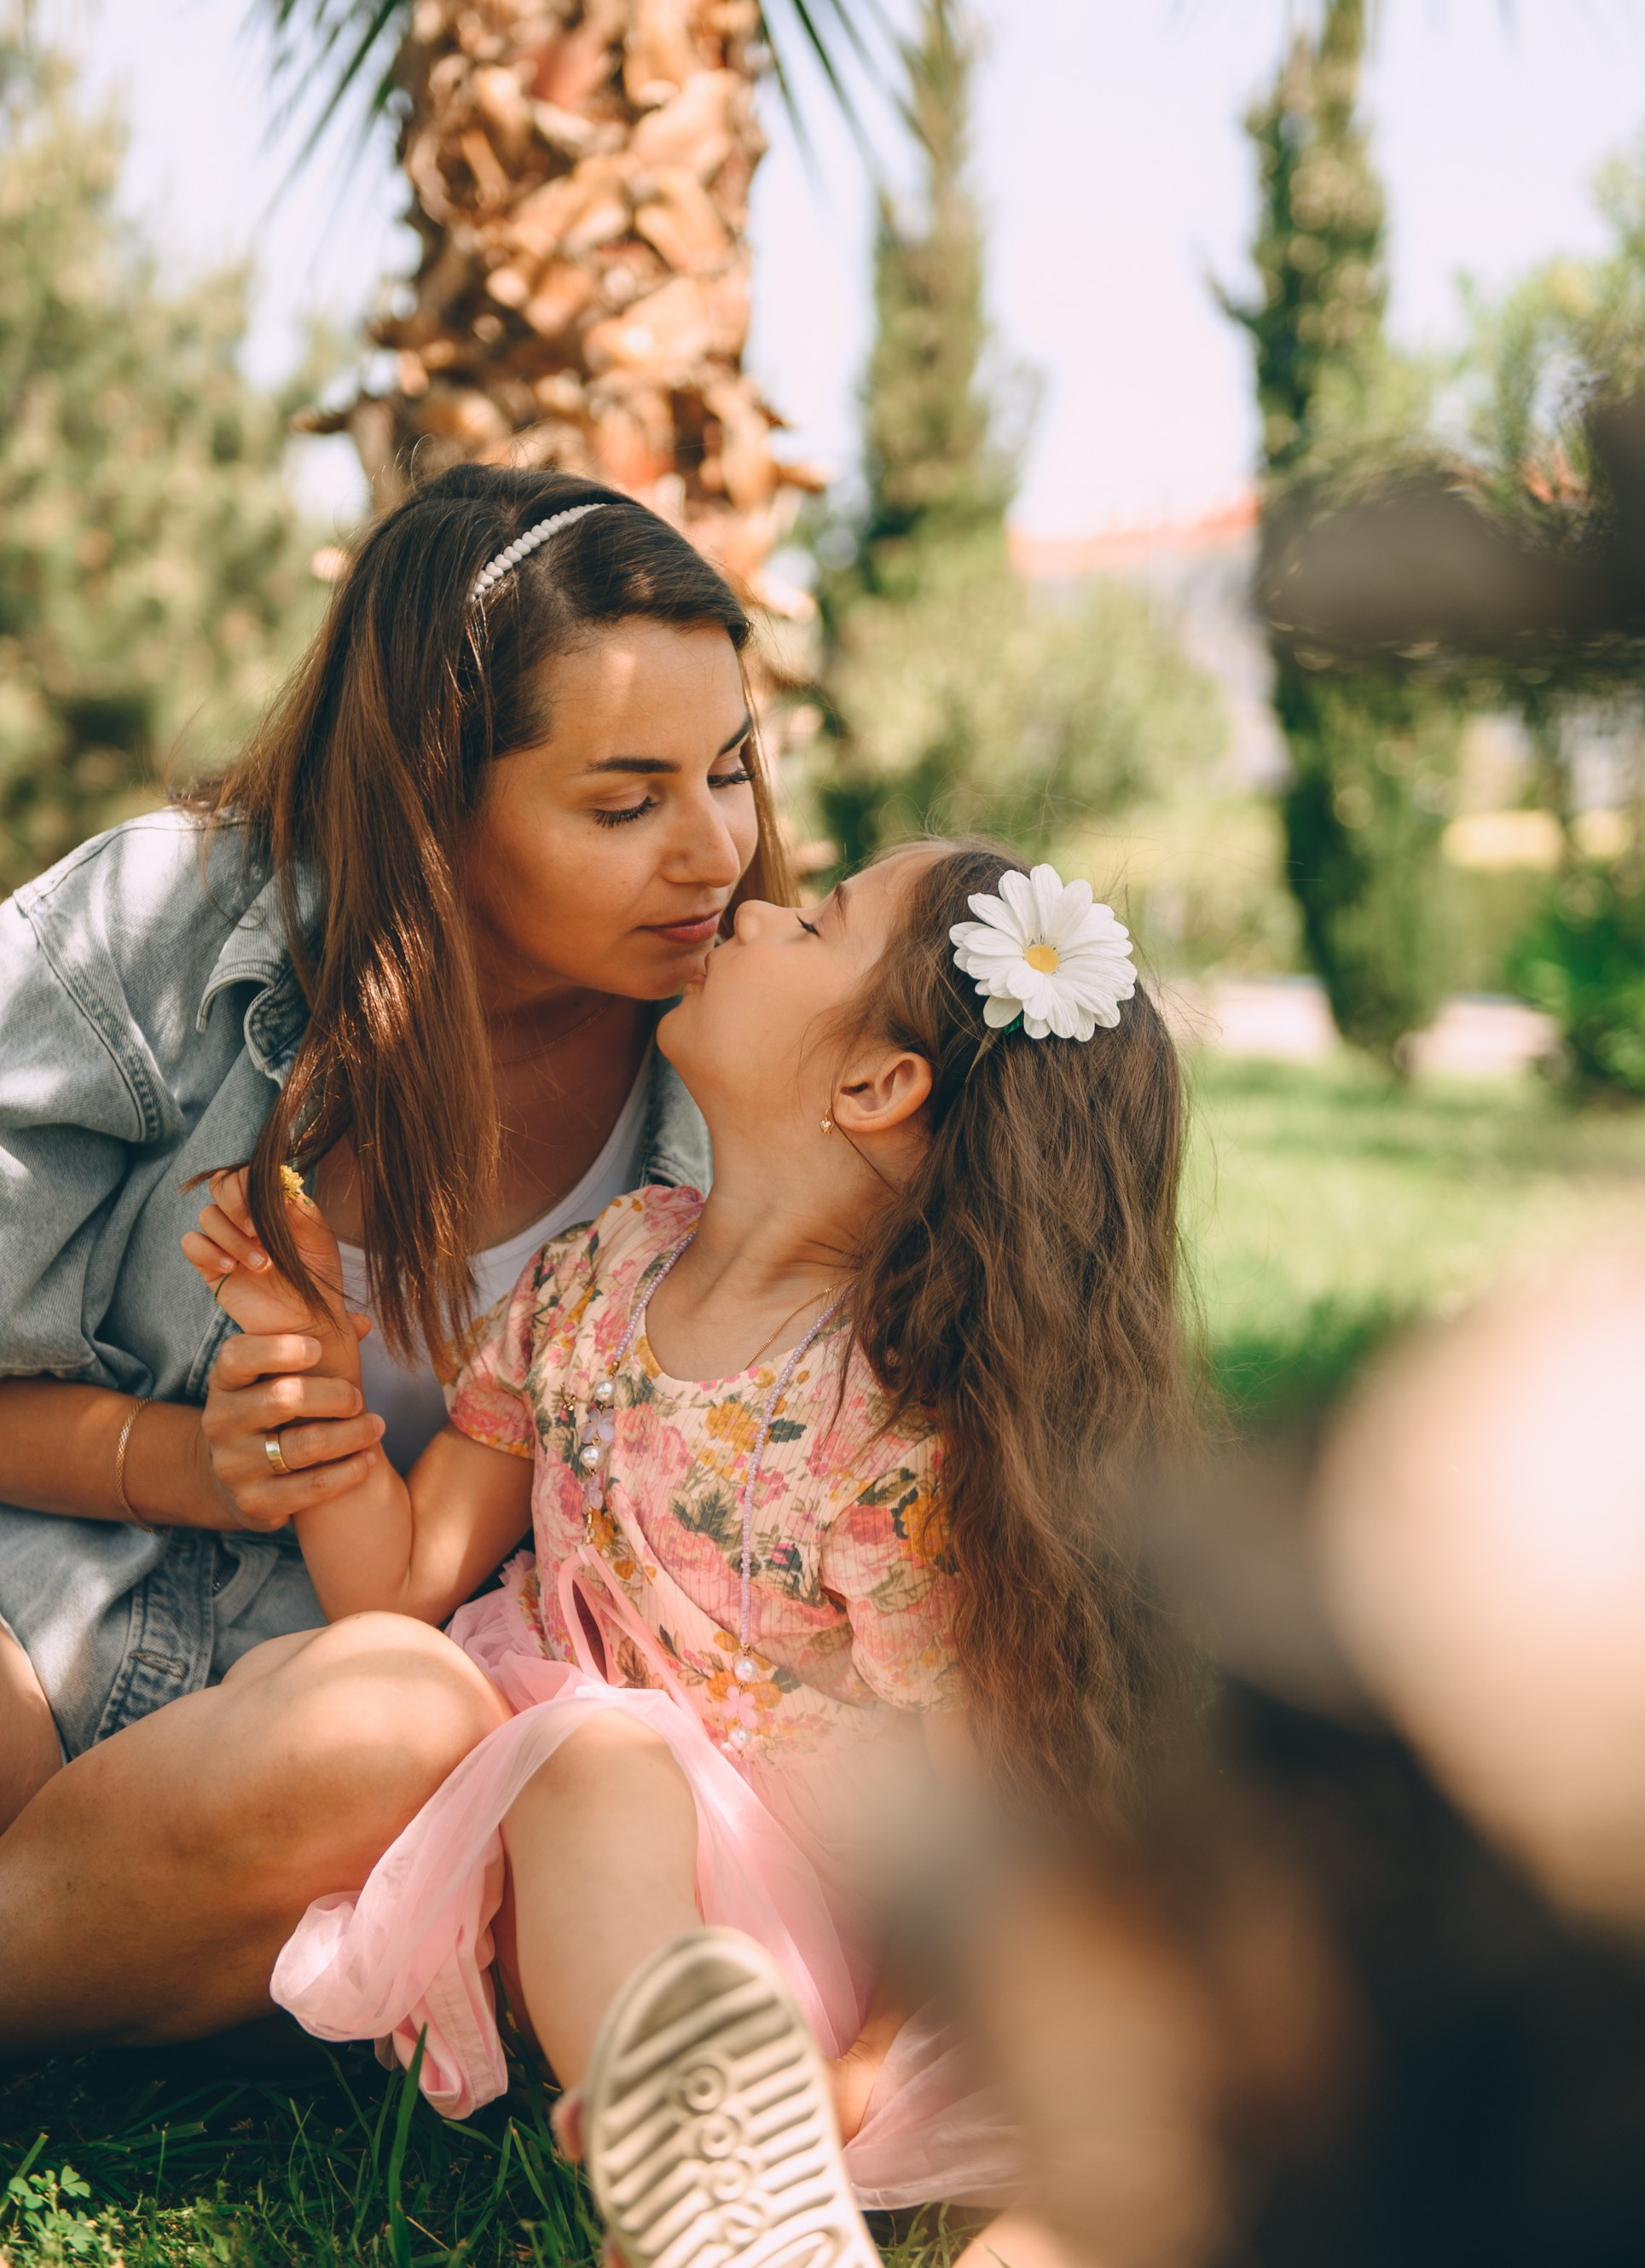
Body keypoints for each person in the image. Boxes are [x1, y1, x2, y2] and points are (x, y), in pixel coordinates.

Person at [184, 843, 1190, 2248]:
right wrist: (307, 1363)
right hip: (549, 1876)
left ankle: (714, 2178)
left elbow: (960, 1818)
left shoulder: (900, 1437)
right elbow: (398, 1586)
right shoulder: (595, 1274)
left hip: (784, 1949)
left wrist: (879, 2047)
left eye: (817, 920)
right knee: (596, 1762)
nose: (759, 905)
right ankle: (701, 2167)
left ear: (876, 1084)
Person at [0, 465, 791, 2052]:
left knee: (413, 1721)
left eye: (732, 769)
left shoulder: (740, 1090)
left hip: (292, 1745)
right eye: (625, 803)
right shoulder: (164, 931)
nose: (715, 853)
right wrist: (190, 1463)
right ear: (434, 798)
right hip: (27, 1614)